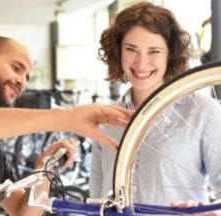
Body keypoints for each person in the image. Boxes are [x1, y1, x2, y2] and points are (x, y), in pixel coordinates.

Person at [0, 36, 133, 216]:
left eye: (27, 77)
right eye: (16, 68)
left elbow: (24, 212)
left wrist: (43, 168)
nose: (22, 82)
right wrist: (65, 117)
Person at [90, 1, 221, 212]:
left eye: (154, 51)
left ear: (170, 54)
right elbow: (96, 199)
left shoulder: (203, 111)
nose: (141, 63)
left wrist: (208, 211)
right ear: (118, 52)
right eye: (131, 49)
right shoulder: (106, 118)